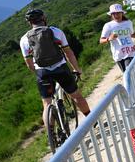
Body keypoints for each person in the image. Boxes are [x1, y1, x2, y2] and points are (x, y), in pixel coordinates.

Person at [20, 9, 91, 137]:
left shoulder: (24, 39)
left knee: (46, 103)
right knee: (76, 96)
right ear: (44, 18)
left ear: (29, 22)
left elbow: (29, 63)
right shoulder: (56, 31)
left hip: (42, 72)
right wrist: (76, 68)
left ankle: (51, 135)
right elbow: (68, 52)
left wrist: (37, 72)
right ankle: (91, 120)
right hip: (60, 69)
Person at [99, 4, 135, 72]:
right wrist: (108, 39)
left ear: (122, 13)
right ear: (111, 15)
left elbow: (132, 34)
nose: (116, 15)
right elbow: (101, 40)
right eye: (113, 14)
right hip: (118, 55)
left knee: (129, 71)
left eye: (118, 13)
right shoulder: (108, 26)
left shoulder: (128, 22)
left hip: (130, 52)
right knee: (126, 74)